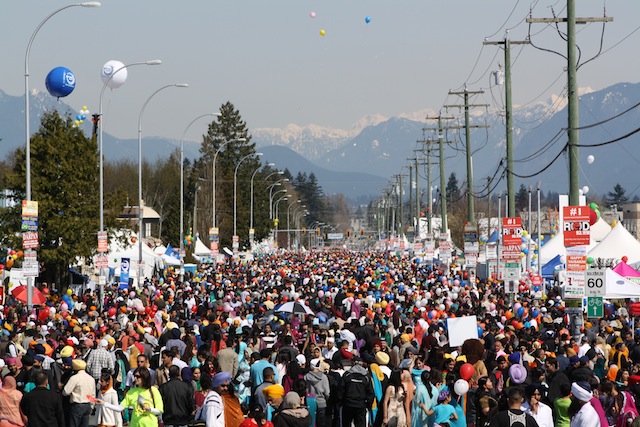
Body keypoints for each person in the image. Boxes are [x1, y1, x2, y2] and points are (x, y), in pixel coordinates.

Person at [97, 367, 164, 427]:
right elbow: (120, 408)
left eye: (138, 376)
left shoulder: (153, 391)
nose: (135, 378)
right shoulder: (131, 392)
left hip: (150, 424)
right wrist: (104, 403)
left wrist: (149, 409)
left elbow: (159, 410)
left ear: (144, 377)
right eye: (134, 376)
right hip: (135, 424)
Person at [63, 359, 96, 427]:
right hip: (87, 404)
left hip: (77, 405)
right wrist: (92, 406)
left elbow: (66, 392)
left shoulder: (74, 378)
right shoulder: (91, 378)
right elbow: (93, 394)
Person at [342, 357, 373, 427]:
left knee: (346, 424)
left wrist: (341, 402)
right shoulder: (366, 376)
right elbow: (370, 392)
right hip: (360, 405)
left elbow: (341, 390)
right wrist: (368, 405)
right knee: (360, 424)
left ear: (352, 364)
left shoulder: (347, 375)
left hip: (348, 404)